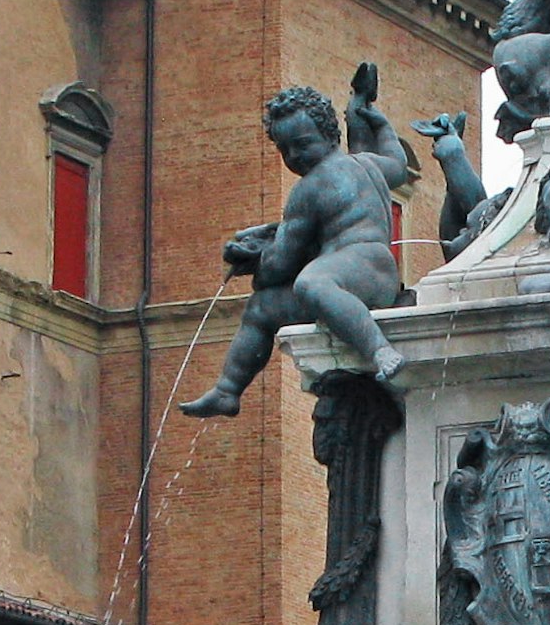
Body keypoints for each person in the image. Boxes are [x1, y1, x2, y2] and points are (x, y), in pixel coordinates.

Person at [176, 78, 412, 417]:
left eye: (301, 145)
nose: (294, 156)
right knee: (261, 309)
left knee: (309, 283)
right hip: (373, 274)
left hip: (356, 271)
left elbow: (278, 265)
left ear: (329, 135)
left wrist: (254, 257)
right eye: (284, 150)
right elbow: (399, 166)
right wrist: (382, 124)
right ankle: (228, 389)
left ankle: (379, 350)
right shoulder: (367, 163)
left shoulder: (309, 188)